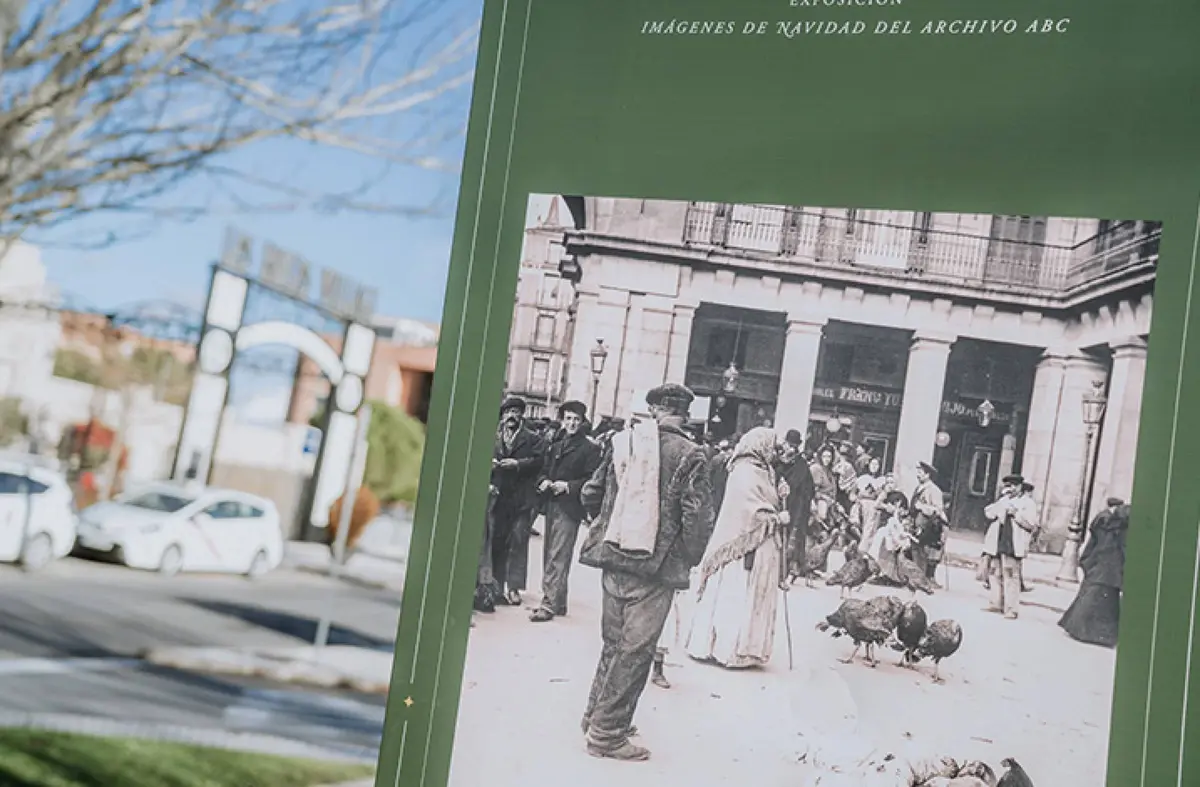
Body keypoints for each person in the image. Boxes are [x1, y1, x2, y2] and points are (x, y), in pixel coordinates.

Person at [578, 383, 715, 762]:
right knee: (636, 652)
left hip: (614, 558)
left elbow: (590, 493)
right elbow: (697, 519)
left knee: (613, 643)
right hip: (656, 570)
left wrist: (606, 528)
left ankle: (595, 715)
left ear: (653, 410)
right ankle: (607, 734)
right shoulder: (692, 453)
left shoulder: (625, 442)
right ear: (683, 414)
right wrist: (689, 558)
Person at [686, 427, 790, 670]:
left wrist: (782, 493)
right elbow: (751, 512)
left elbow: (766, 500)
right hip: (741, 547)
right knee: (734, 596)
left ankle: (747, 650)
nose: (775, 452)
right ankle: (727, 649)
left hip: (759, 545)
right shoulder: (745, 472)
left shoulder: (765, 472)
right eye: (772, 446)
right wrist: (777, 518)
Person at [531, 401, 602, 623]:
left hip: (569, 508)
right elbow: (543, 469)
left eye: (576, 420)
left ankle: (548, 604)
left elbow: (592, 480)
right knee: (550, 553)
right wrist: (543, 481)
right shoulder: (556, 443)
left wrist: (568, 486)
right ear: (563, 420)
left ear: (582, 423)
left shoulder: (590, 449)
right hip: (552, 504)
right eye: (568, 418)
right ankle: (558, 601)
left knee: (558, 555)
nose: (571, 423)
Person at [490, 397, 546, 607]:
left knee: (518, 542)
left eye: (516, 411)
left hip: (522, 500)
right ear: (503, 415)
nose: (512, 416)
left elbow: (539, 462)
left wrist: (517, 464)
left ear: (522, 415)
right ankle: (495, 585)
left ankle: (513, 588)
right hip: (500, 497)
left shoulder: (532, 438)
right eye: (508, 412)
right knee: (497, 540)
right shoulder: (495, 436)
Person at [1059, 498, 1130, 648]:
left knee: (1090, 597)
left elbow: (1093, 543)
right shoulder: (1121, 525)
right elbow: (1123, 547)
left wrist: (1086, 560)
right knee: (1104, 602)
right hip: (1111, 568)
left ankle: (1078, 629)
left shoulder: (1101, 520)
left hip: (1098, 564)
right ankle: (1096, 635)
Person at [982, 474, 1039, 619]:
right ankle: (996, 602)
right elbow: (988, 513)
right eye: (1008, 486)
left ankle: (1011, 609)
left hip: (1013, 543)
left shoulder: (1028, 504)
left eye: (1014, 486)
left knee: (1011, 575)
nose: (1011, 489)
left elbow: (1031, 524)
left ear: (1020, 486)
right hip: (998, 540)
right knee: (995, 573)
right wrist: (999, 504)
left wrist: (1016, 514)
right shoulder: (1004, 500)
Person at [779, 429, 815, 582]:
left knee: (792, 539)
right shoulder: (778, 460)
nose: (791, 449)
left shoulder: (802, 465)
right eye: (789, 445)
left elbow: (807, 488)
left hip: (797, 506)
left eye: (794, 446)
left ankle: (787, 572)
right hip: (780, 504)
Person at [909, 461, 948, 584]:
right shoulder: (919, 488)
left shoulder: (934, 490)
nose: (918, 475)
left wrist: (922, 507)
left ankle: (923, 579)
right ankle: (916, 578)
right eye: (918, 472)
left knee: (923, 552)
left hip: (927, 525)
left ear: (928, 475)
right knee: (915, 550)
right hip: (916, 523)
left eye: (920, 473)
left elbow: (938, 510)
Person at [855, 456, 885, 548]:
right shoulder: (862, 478)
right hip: (861, 503)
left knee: (871, 524)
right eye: (872, 464)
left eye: (876, 464)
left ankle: (865, 546)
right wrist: (859, 497)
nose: (874, 466)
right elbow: (853, 494)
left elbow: (880, 494)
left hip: (873, 505)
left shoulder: (882, 480)